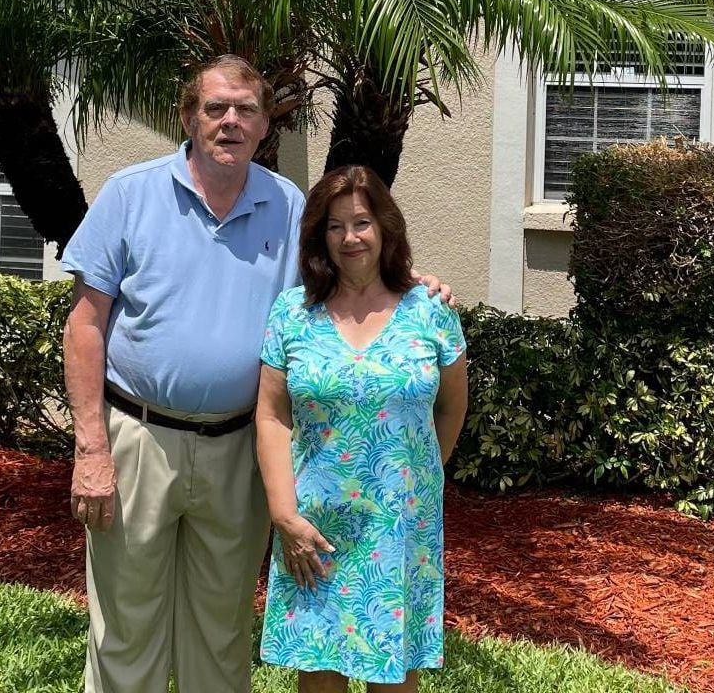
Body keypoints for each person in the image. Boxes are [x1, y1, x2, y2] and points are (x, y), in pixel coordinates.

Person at [60, 55, 450, 693]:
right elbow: (84, 325)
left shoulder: (289, 205)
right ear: (189, 117)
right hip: (138, 439)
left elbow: (342, 280)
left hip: (241, 447)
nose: (230, 122)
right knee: (125, 630)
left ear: (267, 124)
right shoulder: (130, 194)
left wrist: (412, 289)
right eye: (215, 108)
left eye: (246, 110)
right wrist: (91, 447)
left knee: (222, 631)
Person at [254, 165, 469, 692]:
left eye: (363, 223)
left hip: (400, 527)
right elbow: (271, 414)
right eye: (334, 226)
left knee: (393, 674)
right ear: (318, 237)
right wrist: (284, 514)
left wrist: (416, 475)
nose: (350, 237)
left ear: (386, 229)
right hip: (316, 527)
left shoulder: (430, 312)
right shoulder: (292, 313)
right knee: (320, 672)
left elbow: (452, 408)